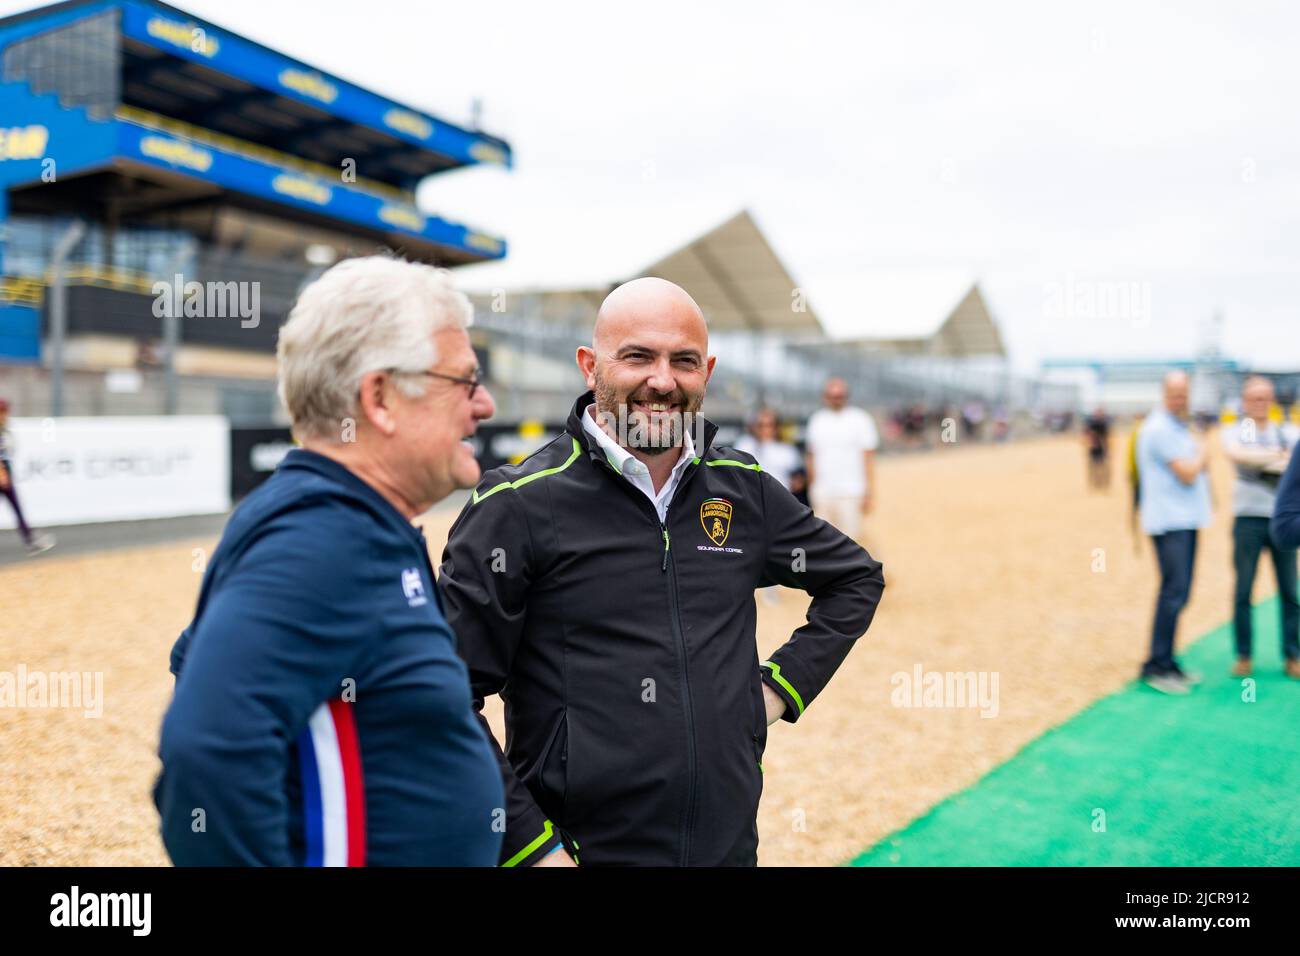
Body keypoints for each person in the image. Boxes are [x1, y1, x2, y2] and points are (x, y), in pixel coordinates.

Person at [439, 277, 884, 867]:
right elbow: (446, 698)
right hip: (580, 853)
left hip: (726, 849)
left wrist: (774, 691)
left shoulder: (742, 488)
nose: (663, 381)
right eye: (638, 356)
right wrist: (529, 848)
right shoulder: (516, 504)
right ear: (589, 367)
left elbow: (855, 578)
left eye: (684, 361)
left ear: (709, 370)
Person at [155, 256, 504, 865]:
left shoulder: (346, 521)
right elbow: (207, 752)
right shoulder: (323, 537)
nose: (485, 405)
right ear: (381, 397)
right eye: (465, 381)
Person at [1135, 371, 1212, 694]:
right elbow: (1189, 473)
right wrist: (1206, 448)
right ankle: (1157, 664)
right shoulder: (1159, 429)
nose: (1180, 398)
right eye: (1175, 392)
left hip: (1185, 519)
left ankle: (1167, 660)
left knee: (1179, 593)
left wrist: (1199, 451)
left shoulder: (1177, 426)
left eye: (1184, 392)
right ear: (1164, 392)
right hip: (1169, 522)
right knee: (1173, 592)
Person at [1221, 377, 1299, 678]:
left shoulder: (1289, 431)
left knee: (1290, 590)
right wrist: (1279, 458)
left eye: (1265, 397)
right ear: (1244, 400)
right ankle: (1244, 655)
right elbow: (1237, 454)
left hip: (1283, 519)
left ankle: (1293, 655)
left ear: (1272, 400)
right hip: (1247, 518)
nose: (1260, 403)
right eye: (1254, 398)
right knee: (1243, 589)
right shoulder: (1235, 431)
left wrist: (1261, 460)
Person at [804, 378, 880, 541]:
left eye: (840, 395)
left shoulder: (861, 419)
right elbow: (811, 456)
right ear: (825, 396)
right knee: (821, 542)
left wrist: (869, 492)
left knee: (849, 542)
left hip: (851, 492)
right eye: (832, 395)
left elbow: (868, 459)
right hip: (822, 492)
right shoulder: (817, 420)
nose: (836, 398)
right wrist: (811, 487)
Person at [0, 398, 55, 556]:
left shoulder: (5, 428)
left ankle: (30, 540)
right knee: (16, 508)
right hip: (2, 476)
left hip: (5, 474)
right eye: (3, 411)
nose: (5, 414)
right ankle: (30, 540)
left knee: (17, 508)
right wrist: (2, 474)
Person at [734, 407, 802, 491]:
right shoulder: (745, 446)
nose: (764, 429)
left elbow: (798, 481)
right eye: (761, 425)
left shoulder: (788, 451)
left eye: (769, 425)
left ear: (777, 427)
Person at [1082, 406, 1111, 491]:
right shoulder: (1091, 424)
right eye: (1098, 413)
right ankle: (1094, 484)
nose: (1099, 415)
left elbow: (1107, 437)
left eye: (1101, 413)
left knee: (1103, 467)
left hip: (1102, 448)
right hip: (1093, 449)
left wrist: (1108, 449)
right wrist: (1089, 443)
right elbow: (1085, 435)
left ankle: (1103, 484)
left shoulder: (1104, 424)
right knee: (1093, 467)